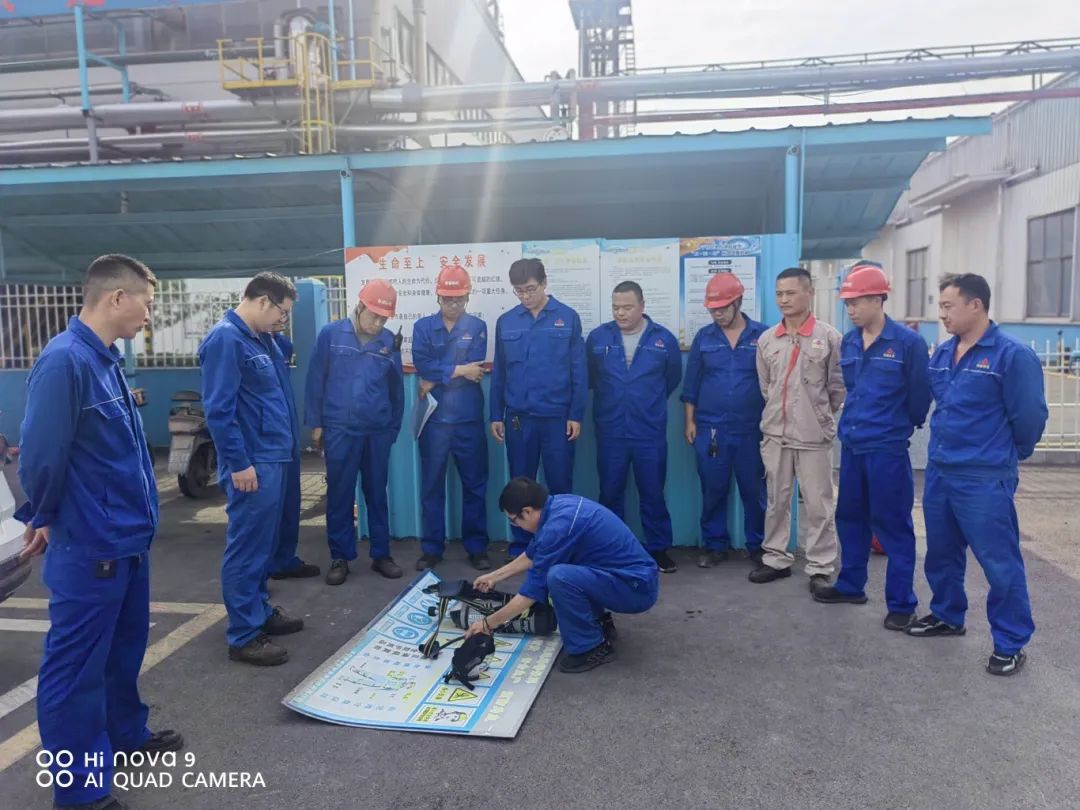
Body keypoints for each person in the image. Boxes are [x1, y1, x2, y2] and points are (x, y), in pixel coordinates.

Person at [17, 254, 182, 809]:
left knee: (122, 652)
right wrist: (43, 515)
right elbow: (41, 456)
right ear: (116, 298)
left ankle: (125, 735)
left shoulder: (105, 359)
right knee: (76, 671)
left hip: (126, 540)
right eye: (147, 304)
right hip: (92, 544)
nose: (149, 315)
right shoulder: (65, 362)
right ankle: (80, 792)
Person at [907, 273, 1047, 676]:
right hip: (941, 471)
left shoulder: (1010, 355)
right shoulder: (943, 353)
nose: (942, 314)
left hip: (983, 477)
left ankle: (1010, 642)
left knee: (999, 562)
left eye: (948, 306)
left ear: (976, 305)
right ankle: (947, 615)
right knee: (941, 553)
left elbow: (1030, 416)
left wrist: (1009, 455)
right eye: (940, 306)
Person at [811, 262, 931, 632]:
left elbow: (919, 397)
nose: (850, 309)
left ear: (878, 299)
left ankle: (902, 603)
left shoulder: (907, 343)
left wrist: (896, 427)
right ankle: (851, 585)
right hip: (853, 446)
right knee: (850, 518)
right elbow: (851, 388)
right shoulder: (848, 342)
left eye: (856, 302)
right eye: (847, 303)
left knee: (893, 525)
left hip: (887, 450)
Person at [200, 272, 306, 666]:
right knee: (247, 547)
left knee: (264, 543)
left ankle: (259, 610)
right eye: (282, 312)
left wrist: (275, 332)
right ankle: (243, 634)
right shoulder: (226, 340)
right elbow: (219, 410)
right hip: (253, 462)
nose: (284, 320)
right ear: (262, 301)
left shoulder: (261, 338)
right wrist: (239, 462)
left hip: (275, 455)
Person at [463, 478, 659, 673]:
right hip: (629, 579)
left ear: (528, 511)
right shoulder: (558, 505)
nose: (516, 526)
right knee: (567, 566)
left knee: (559, 577)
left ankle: (590, 647)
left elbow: (530, 593)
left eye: (514, 521)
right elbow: (533, 554)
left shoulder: (557, 529)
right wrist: (494, 576)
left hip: (635, 589)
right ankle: (598, 624)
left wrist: (487, 624)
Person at [751, 267, 845, 594]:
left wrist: (816, 416)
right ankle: (776, 558)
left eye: (791, 293)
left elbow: (837, 388)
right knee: (776, 500)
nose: (784, 300)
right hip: (776, 434)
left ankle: (820, 566)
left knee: (819, 504)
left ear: (809, 293)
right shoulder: (767, 340)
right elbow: (766, 386)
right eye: (779, 294)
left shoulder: (829, 337)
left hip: (813, 436)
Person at [305, 279, 405, 585]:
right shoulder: (331, 335)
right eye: (374, 315)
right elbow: (315, 380)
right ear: (360, 307)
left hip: (377, 432)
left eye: (384, 318)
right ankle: (340, 557)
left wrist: (392, 429)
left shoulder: (388, 342)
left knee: (376, 493)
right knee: (340, 494)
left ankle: (381, 554)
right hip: (340, 430)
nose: (378, 323)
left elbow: (396, 391)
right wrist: (316, 423)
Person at [490, 258, 587, 558]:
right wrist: (495, 414)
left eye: (531, 289)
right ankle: (523, 547)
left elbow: (579, 371)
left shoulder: (567, 318)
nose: (526, 296)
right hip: (519, 419)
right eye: (519, 291)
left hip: (557, 418)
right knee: (520, 485)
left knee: (560, 484)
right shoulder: (507, 321)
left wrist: (576, 414)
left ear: (544, 283)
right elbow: (500, 372)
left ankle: (561, 545)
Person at [586, 281, 682, 572]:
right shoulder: (598, 337)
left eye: (627, 307)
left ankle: (658, 549)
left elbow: (672, 378)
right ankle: (611, 549)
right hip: (611, 429)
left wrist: (645, 402)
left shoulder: (663, 339)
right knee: (610, 492)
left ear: (642, 306)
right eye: (616, 307)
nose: (621, 313)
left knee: (652, 492)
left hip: (648, 431)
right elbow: (591, 378)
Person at [681, 273, 768, 569]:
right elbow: (691, 384)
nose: (717, 314)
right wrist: (689, 422)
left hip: (752, 429)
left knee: (754, 491)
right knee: (713, 488)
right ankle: (715, 545)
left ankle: (757, 546)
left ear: (738, 302)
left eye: (722, 308)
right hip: (711, 429)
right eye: (713, 309)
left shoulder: (762, 336)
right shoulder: (704, 338)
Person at [411, 264, 492, 572]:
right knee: (432, 486)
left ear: (467, 297)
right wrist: (458, 370)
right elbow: (423, 365)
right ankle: (432, 548)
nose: (453, 304)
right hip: (434, 422)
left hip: (468, 420)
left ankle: (477, 547)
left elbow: (476, 369)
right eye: (447, 298)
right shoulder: (422, 327)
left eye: (458, 298)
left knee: (475, 486)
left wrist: (437, 377)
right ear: (438, 296)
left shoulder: (478, 326)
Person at [266, 329, 321, 582]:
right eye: (281, 311)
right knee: (265, 513)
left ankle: (284, 560)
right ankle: (258, 577)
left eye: (287, 314)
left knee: (289, 504)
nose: (284, 318)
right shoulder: (234, 341)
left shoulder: (281, 344)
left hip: (286, 438)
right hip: (263, 444)